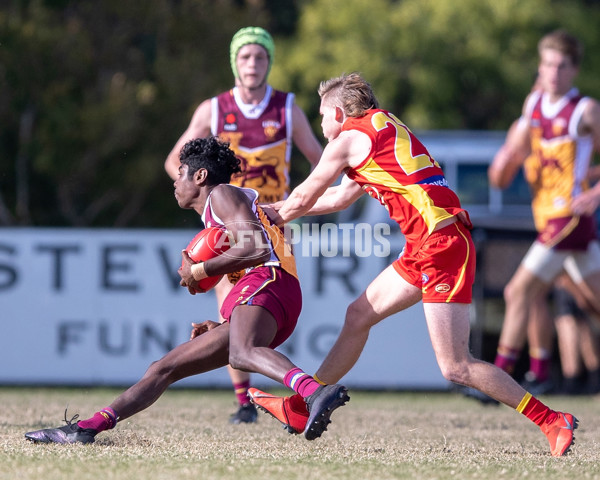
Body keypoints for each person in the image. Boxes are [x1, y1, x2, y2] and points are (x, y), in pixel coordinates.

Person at [247, 72, 577, 457]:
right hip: (427, 243)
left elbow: (305, 195)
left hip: (442, 244)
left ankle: (552, 420)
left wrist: (273, 215)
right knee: (358, 315)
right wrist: (273, 210)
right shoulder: (382, 126)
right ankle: (303, 406)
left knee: (456, 366)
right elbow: (338, 199)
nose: (321, 123)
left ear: (337, 113)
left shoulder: (349, 138)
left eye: (321, 114)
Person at [24, 136, 347, 445]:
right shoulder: (218, 214)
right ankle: (87, 428)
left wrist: (200, 270)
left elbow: (257, 248)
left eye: (180, 174)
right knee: (165, 368)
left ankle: (313, 391)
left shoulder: (222, 195)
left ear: (200, 175)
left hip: (269, 281)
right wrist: (223, 326)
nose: (175, 182)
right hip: (273, 293)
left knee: (240, 353)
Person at [164, 26, 323, 424]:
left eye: (260, 57)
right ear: (234, 62)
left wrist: (292, 205)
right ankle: (244, 401)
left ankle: (268, 393)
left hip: (270, 223)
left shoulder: (287, 108)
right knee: (230, 306)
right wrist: (203, 204)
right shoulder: (213, 109)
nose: (253, 64)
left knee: (258, 305)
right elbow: (174, 162)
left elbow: (322, 164)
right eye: (245, 56)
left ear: (269, 62)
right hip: (226, 225)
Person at [487, 30, 600, 395]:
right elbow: (508, 163)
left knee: (517, 291)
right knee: (593, 304)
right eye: (548, 64)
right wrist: (506, 161)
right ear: (540, 66)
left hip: (569, 218)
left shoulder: (585, 109)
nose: (554, 72)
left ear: (574, 70)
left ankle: (496, 378)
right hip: (548, 219)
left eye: (562, 65)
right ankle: (537, 373)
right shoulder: (533, 106)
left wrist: (595, 191)